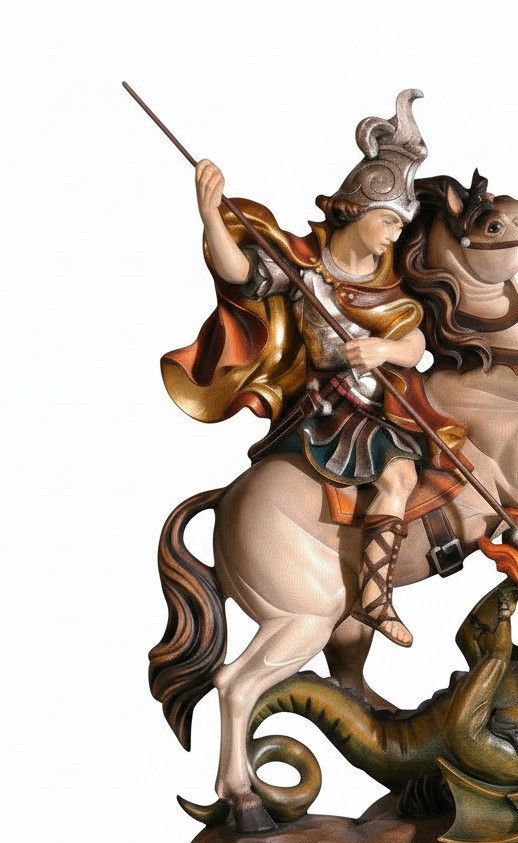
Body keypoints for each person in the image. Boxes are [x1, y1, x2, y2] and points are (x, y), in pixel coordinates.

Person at [160, 90, 465, 648]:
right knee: (398, 475)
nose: (393, 236)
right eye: (388, 222)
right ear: (358, 212)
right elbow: (240, 273)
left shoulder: (387, 282)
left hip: (384, 401)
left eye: (399, 227)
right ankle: (375, 595)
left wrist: (382, 352)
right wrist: (211, 216)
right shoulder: (304, 268)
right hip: (331, 407)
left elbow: (415, 340)